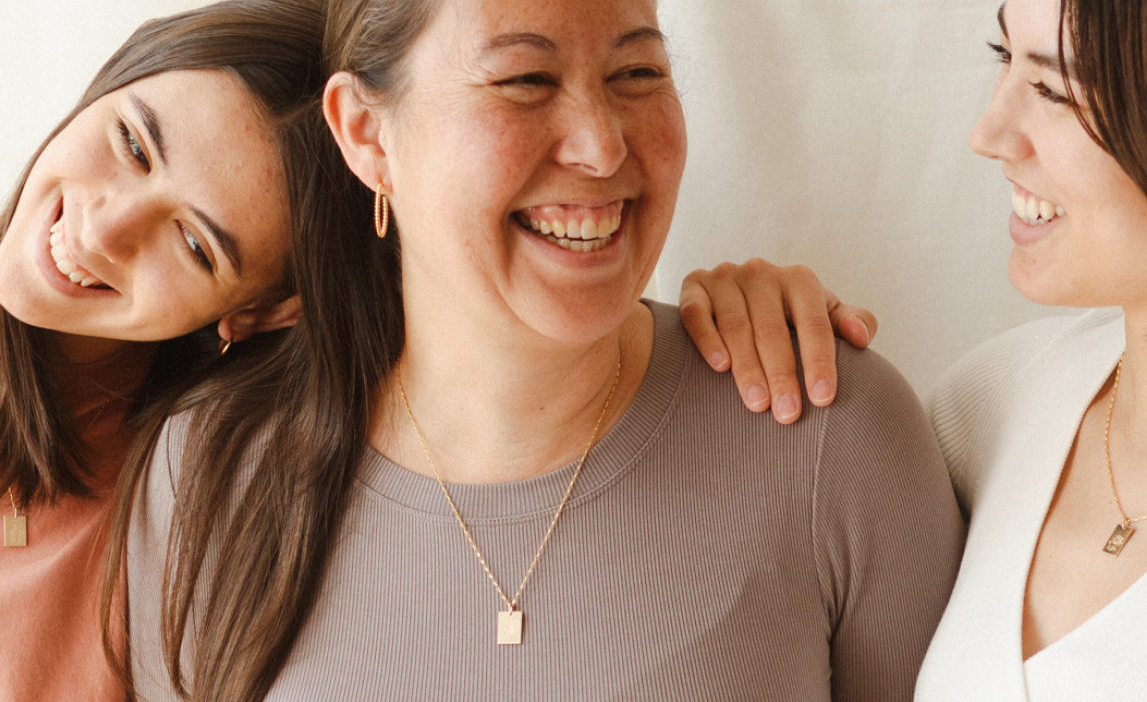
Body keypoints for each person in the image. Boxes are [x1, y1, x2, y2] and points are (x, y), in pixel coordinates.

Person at [122, 0, 962, 700]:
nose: (601, 146)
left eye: (638, 74)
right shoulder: (209, 469)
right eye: (525, 80)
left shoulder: (832, 435)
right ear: (367, 134)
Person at [684, 0, 1147, 698]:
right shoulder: (991, 400)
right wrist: (762, 321)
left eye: (1052, 89)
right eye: (1003, 57)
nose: (988, 133)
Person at [0, 1, 365, 698]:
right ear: (109, 80)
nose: (105, 231)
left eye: (194, 245)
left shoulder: (187, 506)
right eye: (133, 144)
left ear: (260, 312)